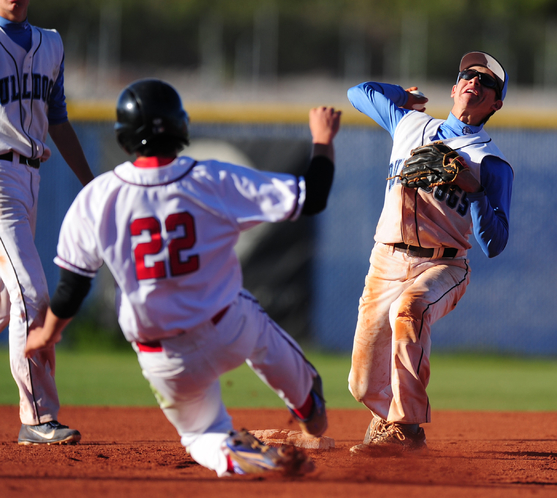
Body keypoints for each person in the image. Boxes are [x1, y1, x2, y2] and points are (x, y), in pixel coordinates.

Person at [24, 78, 341, 476]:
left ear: (123, 138)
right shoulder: (212, 179)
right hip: (229, 327)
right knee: (254, 324)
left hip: (162, 354)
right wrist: (323, 139)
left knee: (202, 435)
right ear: (181, 127)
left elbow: (72, 288)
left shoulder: (97, 197)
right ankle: (306, 401)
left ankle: (242, 455)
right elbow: (312, 197)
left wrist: (48, 332)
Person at [346, 51, 513, 454]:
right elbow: (358, 92)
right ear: (454, 89)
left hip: (444, 263)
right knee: (362, 384)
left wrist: (474, 191)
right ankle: (390, 420)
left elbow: (495, 243)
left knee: (410, 309)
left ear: (495, 104)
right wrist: (402, 96)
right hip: (386, 259)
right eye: (467, 76)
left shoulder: (490, 162)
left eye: (486, 82)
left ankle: (407, 428)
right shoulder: (409, 123)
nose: (475, 81)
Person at [0, 0, 94, 445]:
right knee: (33, 294)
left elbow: (58, 120)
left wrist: (90, 183)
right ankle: (37, 417)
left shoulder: (51, 44)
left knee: (5, 301)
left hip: (31, 176)